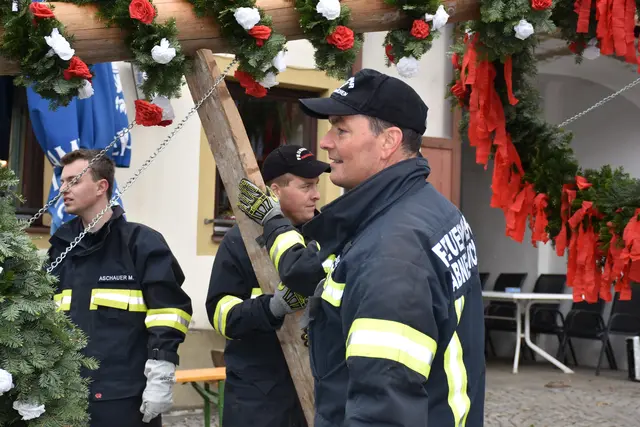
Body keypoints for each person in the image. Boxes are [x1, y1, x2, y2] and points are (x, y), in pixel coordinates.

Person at [237, 68, 486, 426]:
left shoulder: (392, 253)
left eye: (341, 129)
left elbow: (382, 411)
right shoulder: (430, 211)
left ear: (389, 141)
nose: (325, 142)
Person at [47, 149, 193, 427]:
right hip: (63, 396)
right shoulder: (61, 248)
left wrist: (161, 371)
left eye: (74, 181)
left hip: (123, 397)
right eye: (62, 181)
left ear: (102, 186)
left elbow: (170, 311)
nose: (63, 189)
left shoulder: (141, 243)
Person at [205, 145, 330, 427]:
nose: (316, 195)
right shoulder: (242, 242)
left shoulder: (326, 234)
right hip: (259, 395)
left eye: (316, 185)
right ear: (275, 191)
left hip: (316, 390)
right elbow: (219, 313)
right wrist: (271, 307)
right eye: (306, 186)